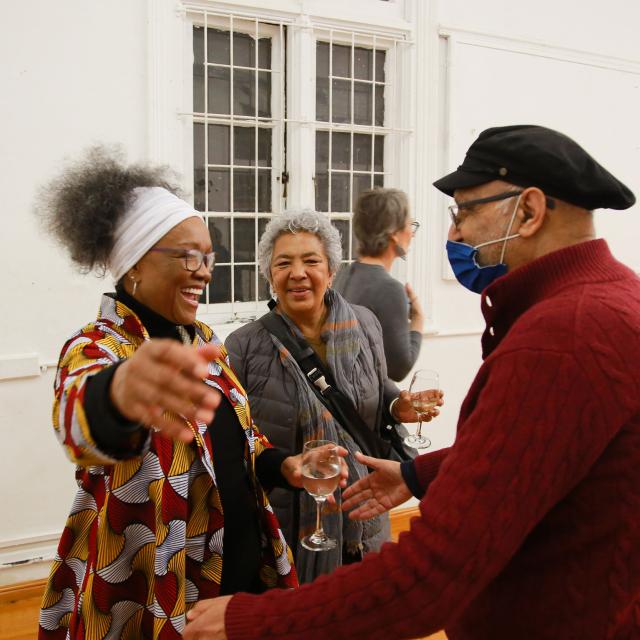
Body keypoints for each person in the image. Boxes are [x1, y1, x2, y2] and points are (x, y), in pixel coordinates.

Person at [182, 125, 640, 640]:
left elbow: (432, 575)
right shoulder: (604, 304)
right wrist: (416, 474)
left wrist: (252, 620)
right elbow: (533, 455)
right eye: (283, 263)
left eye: (464, 212)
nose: (456, 235)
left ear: (528, 211)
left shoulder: (562, 335)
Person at [35, 148, 349, 639]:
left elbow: (239, 440)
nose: (205, 271)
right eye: (189, 256)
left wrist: (284, 466)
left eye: (208, 256)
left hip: (239, 576)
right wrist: (118, 392)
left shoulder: (202, 340)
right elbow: (77, 425)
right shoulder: (97, 347)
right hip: (153, 595)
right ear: (135, 263)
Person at [225, 210, 435, 583]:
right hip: (288, 525)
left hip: (364, 508)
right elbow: (236, 444)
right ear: (269, 275)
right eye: (283, 263)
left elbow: (376, 386)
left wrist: (396, 405)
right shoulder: (244, 346)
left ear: (331, 270)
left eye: (311, 261)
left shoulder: (365, 323)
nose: (298, 273)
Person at [334, 188, 424, 381]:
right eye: (410, 224)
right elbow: (398, 370)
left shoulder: (343, 274)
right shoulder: (389, 289)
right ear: (394, 234)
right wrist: (418, 320)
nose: (412, 233)